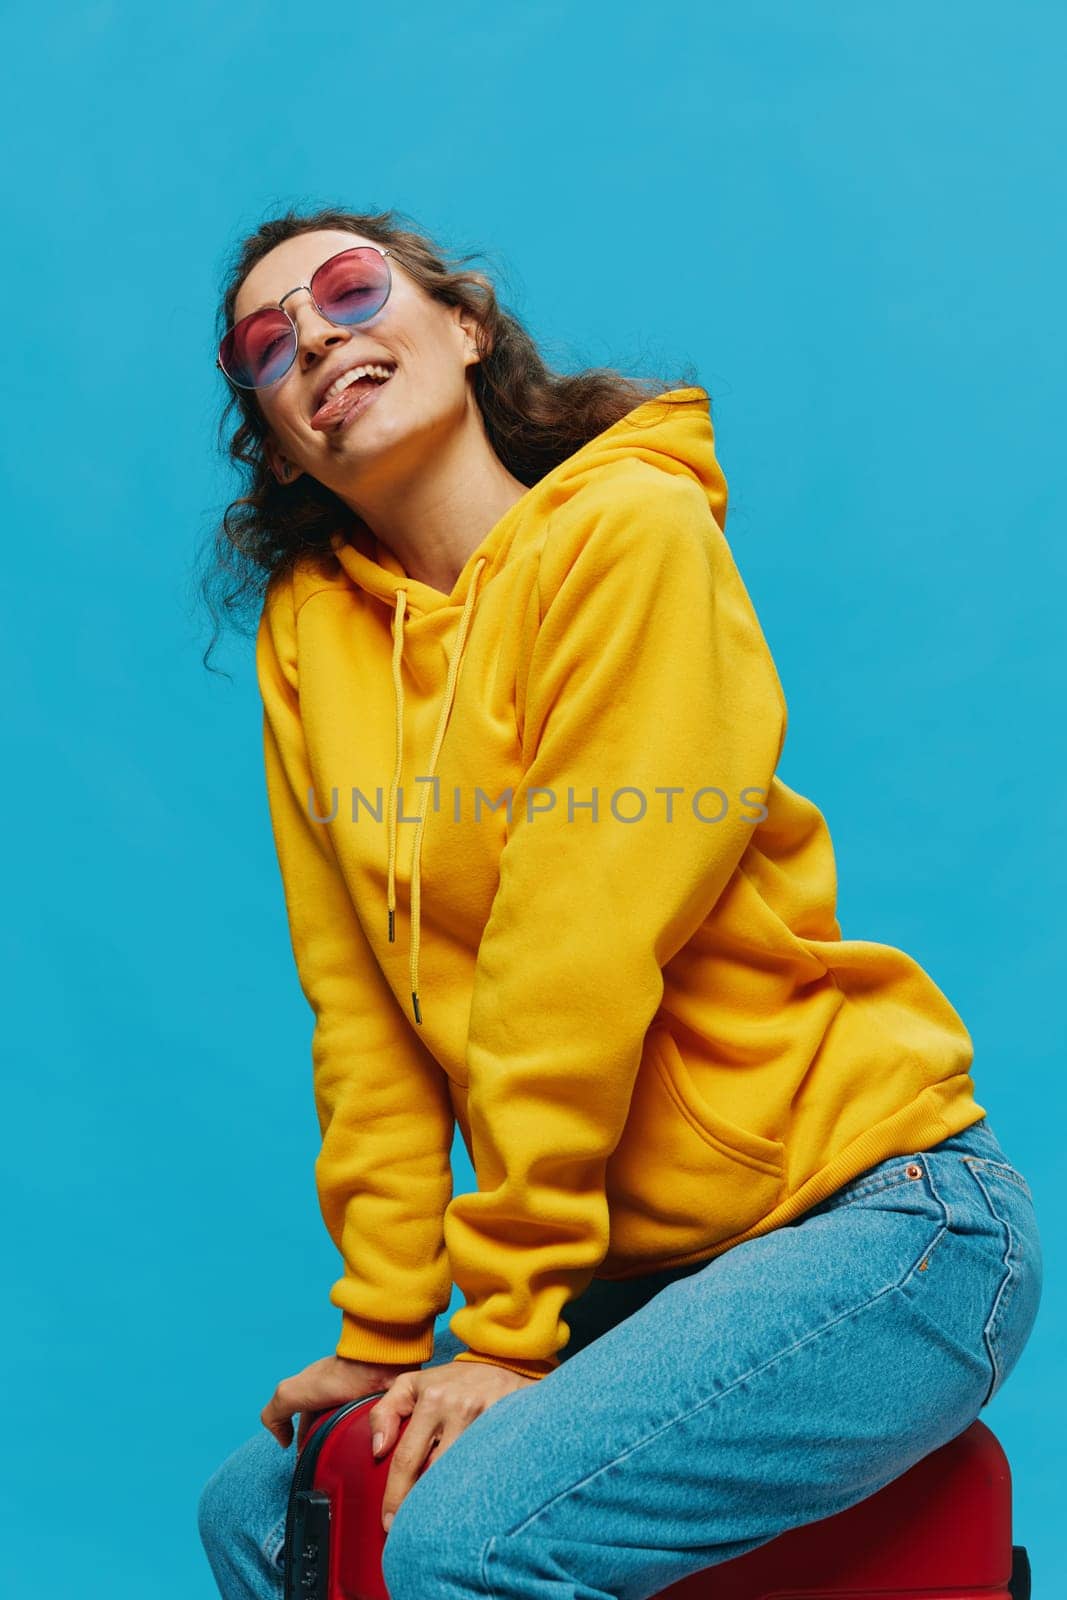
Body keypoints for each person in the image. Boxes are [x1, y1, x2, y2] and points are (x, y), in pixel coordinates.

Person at [196, 207, 1043, 1600]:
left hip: (884, 1226)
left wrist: (514, 1324)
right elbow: (361, 1012)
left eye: (351, 290)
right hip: (647, 1279)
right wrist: (388, 1327)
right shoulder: (315, 639)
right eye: (268, 343)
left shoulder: (630, 534)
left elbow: (567, 954)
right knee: (266, 1510)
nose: (318, 339)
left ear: (464, 326)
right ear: (278, 432)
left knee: (468, 1543)